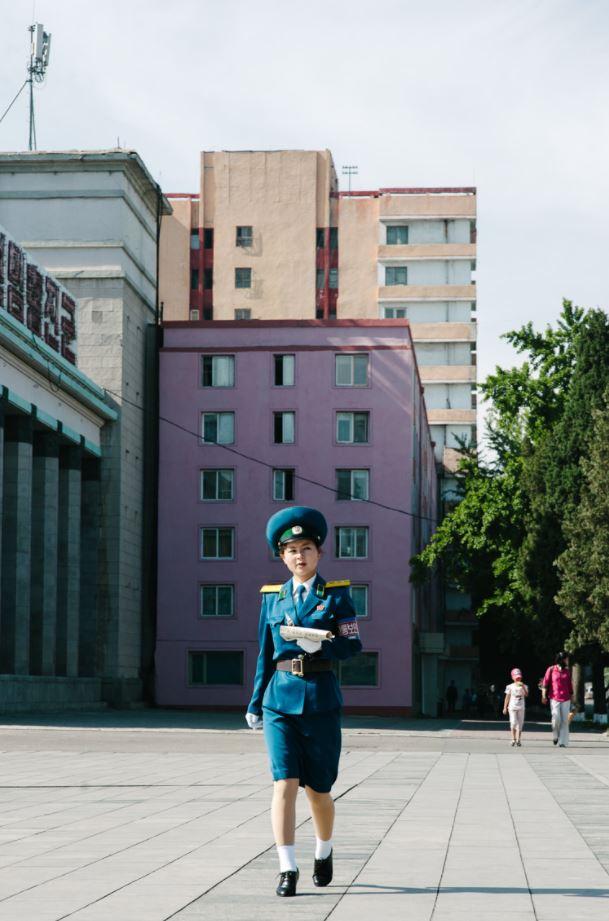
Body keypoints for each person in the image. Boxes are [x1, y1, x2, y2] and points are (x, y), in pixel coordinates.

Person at [245, 506, 362, 897]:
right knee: (284, 784)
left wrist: (323, 642)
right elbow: (264, 652)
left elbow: (353, 645)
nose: (300, 556)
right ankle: (286, 867)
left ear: (319, 553)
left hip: (320, 700)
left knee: (319, 790)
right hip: (279, 699)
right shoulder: (271, 599)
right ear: (282, 556)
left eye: (306, 548)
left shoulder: (337, 596)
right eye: (291, 550)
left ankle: (324, 851)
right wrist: (255, 701)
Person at [541, 651, 574, 747]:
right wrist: (543, 696)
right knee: (556, 719)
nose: (568, 660)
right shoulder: (551, 669)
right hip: (554, 698)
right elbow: (545, 684)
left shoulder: (567, 671)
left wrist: (573, 701)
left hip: (566, 699)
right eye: (566, 659)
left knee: (564, 721)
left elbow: (570, 687)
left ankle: (563, 742)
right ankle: (555, 735)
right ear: (561, 660)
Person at [503, 668, 529, 746]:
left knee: (520, 723)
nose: (518, 679)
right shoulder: (509, 686)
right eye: (516, 677)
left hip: (521, 707)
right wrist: (505, 707)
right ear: (512, 677)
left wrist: (523, 687)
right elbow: (507, 697)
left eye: (519, 677)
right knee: (513, 722)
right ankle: (513, 739)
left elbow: (527, 695)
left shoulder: (525, 686)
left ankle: (518, 739)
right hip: (512, 707)